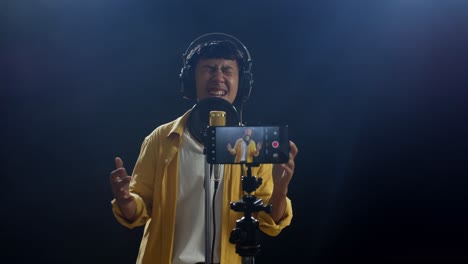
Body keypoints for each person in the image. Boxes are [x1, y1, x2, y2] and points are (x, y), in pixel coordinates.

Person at [109, 33, 299, 264]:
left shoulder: (253, 147)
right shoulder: (161, 139)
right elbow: (137, 211)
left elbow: (270, 223)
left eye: (227, 70)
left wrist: (280, 189)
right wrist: (127, 200)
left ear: (242, 82)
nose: (218, 77)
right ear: (191, 80)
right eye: (209, 69)